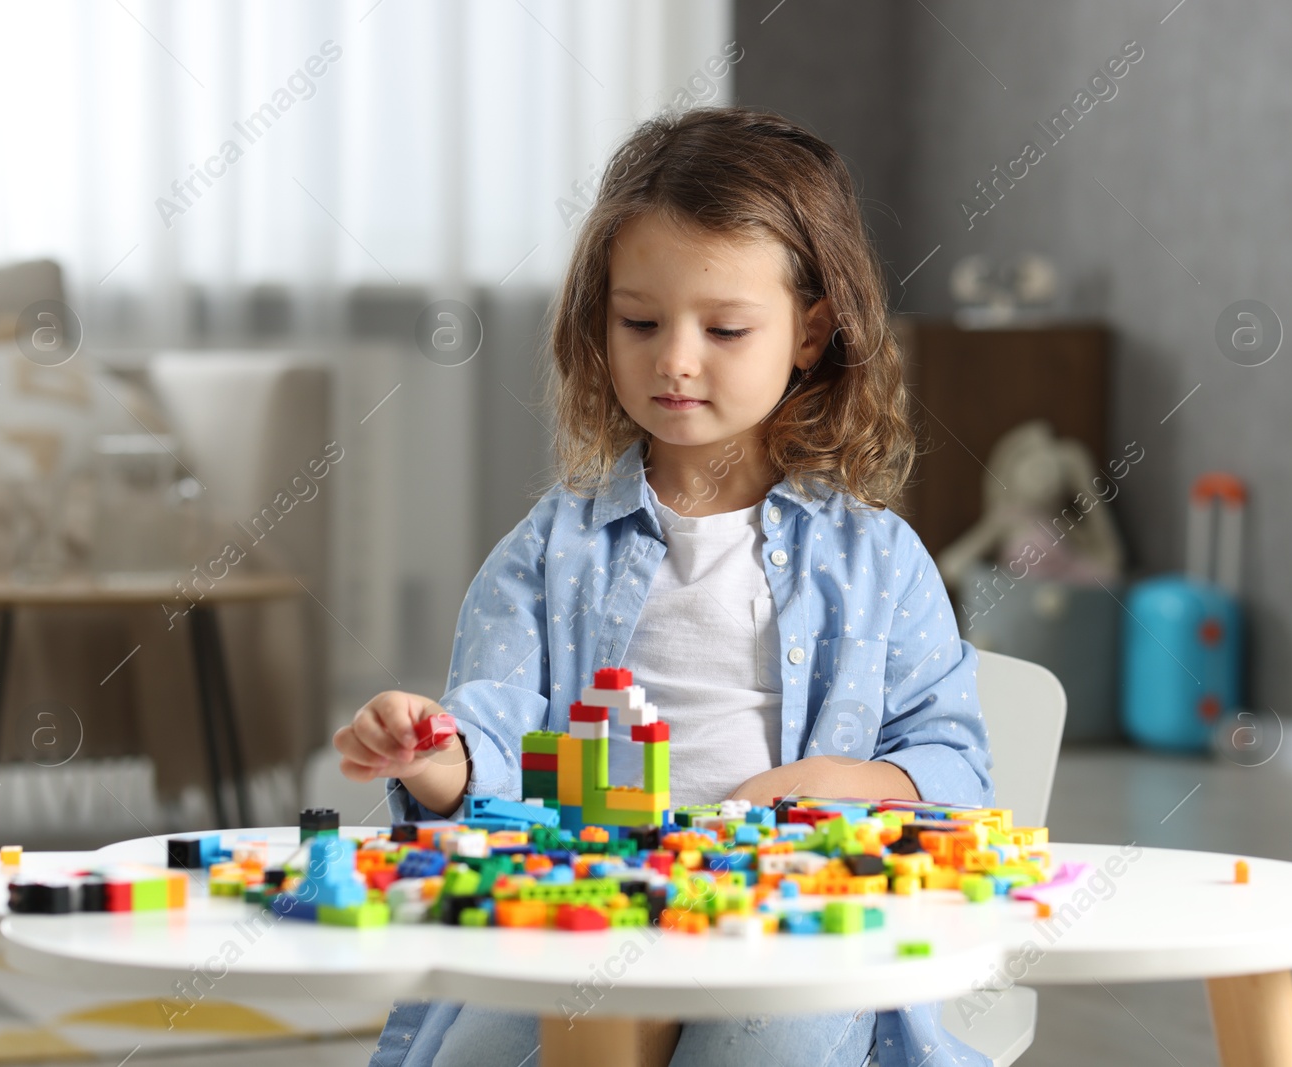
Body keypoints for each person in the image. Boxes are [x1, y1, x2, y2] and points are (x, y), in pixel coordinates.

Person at [336, 104, 995, 1067]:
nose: (674, 358)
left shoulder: (878, 560)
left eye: (725, 328)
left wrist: (836, 786)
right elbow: (496, 728)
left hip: (791, 923)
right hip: (585, 918)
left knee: (760, 1054)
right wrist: (434, 756)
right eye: (639, 321)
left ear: (811, 333)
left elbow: (954, 767)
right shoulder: (549, 548)